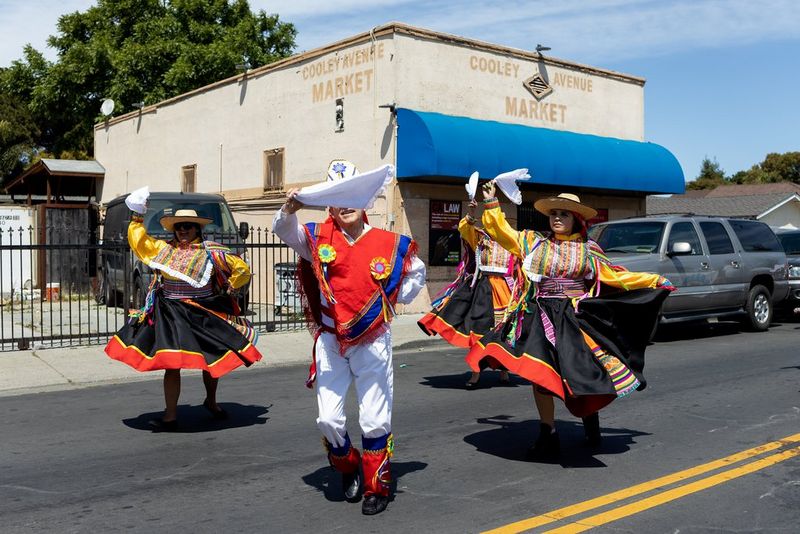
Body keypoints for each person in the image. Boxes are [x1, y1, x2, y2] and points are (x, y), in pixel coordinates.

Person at [466, 183, 674, 460]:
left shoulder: (589, 250)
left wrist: (653, 280)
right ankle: (547, 433)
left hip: (574, 316)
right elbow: (504, 234)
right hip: (540, 315)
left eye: (564, 214)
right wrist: (492, 204)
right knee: (541, 376)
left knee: (580, 373)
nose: (557, 218)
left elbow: (614, 277)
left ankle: (590, 419)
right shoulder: (534, 242)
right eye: (554, 213)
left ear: (576, 218)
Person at [272, 160, 426, 516]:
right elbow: (284, 229)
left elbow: (412, 279)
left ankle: (377, 486)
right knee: (329, 419)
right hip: (330, 339)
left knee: (374, 417)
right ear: (329, 203)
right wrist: (290, 207)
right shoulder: (317, 237)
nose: (346, 203)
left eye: (352, 194)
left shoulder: (389, 243)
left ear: (366, 199)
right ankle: (347, 464)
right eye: (337, 196)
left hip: (372, 339)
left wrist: (391, 296)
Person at [105, 194, 262, 431]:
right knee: (172, 362)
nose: (183, 231)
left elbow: (241, 269)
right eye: (179, 227)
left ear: (197, 228)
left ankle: (211, 401)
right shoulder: (164, 251)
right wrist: (137, 217)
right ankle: (170, 414)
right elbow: (140, 242)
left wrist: (231, 285)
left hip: (202, 312)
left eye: (188, 226)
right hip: (171, 313)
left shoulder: (212, 252)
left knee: (211, 359)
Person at [418, 198, 518, 388]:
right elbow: (465, 229)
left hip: (506, 289)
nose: (493, 224)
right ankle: (476, 371)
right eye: (490, 221)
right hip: (484, 288)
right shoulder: (481, 238)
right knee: (479, 329)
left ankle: (504, 370)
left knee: (504, 331)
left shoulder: (513, 241)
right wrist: (471, 214)